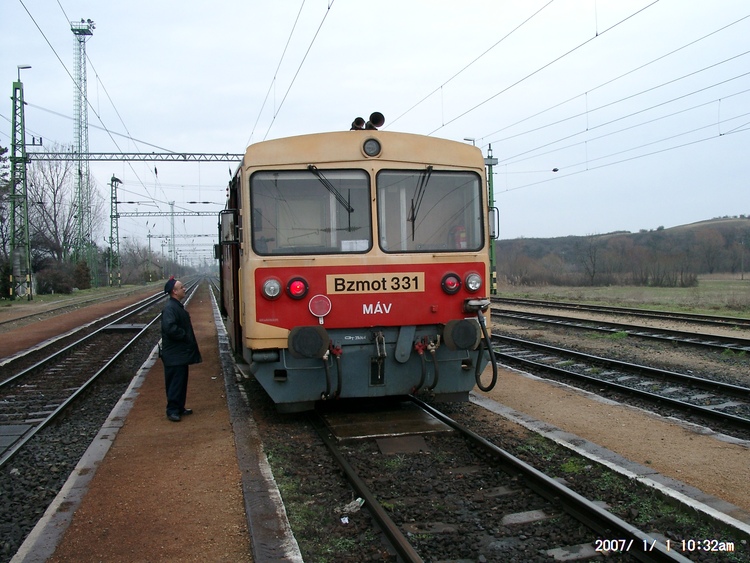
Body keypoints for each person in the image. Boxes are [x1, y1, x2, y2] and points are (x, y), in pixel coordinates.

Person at [161, 277, 202, 422]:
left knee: (181, 381)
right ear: (174, 291)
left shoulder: (175, 306)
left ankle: (179, 407)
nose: (184, 289)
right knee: (175, 382)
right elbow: (169, 328)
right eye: (181, 287)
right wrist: (184, 335)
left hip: (179, 353)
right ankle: (172, 410)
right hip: (174, 354)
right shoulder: (170, 308)